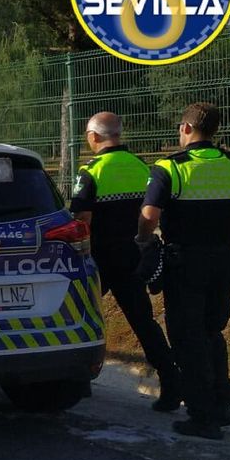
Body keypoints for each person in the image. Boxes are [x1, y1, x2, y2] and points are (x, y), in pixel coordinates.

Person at [138, 102, 230, 440]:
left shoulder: (171, 167)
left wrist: (143, 240)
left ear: (185, 129)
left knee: (187, 338)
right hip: (225, 261)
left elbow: (150, 215)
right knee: (212, 332)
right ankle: (222, 400)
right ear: (214, 131)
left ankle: (204, 416)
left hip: (186, 264)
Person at [70, 111, 180, 410]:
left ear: (94, 137)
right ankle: (171, 382)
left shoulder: (91, 171)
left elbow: (82, 218)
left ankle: (75, 380)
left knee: (81, 316)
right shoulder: (139, 165)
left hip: (99, 259)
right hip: (133, 255)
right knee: (143, 322)